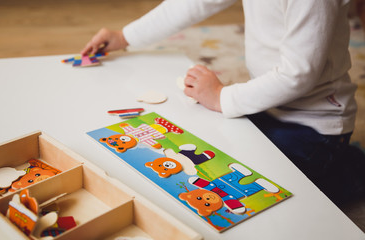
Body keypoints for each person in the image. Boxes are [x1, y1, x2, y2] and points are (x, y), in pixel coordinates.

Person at [81, 0, 365, 206]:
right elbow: (193, 4)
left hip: (313, 126)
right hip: (268, 105)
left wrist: (220, 96)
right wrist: (125, 36)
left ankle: (347, 172)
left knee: (254, 192)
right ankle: (342, 162)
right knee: (212, 148)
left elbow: (299, 75)